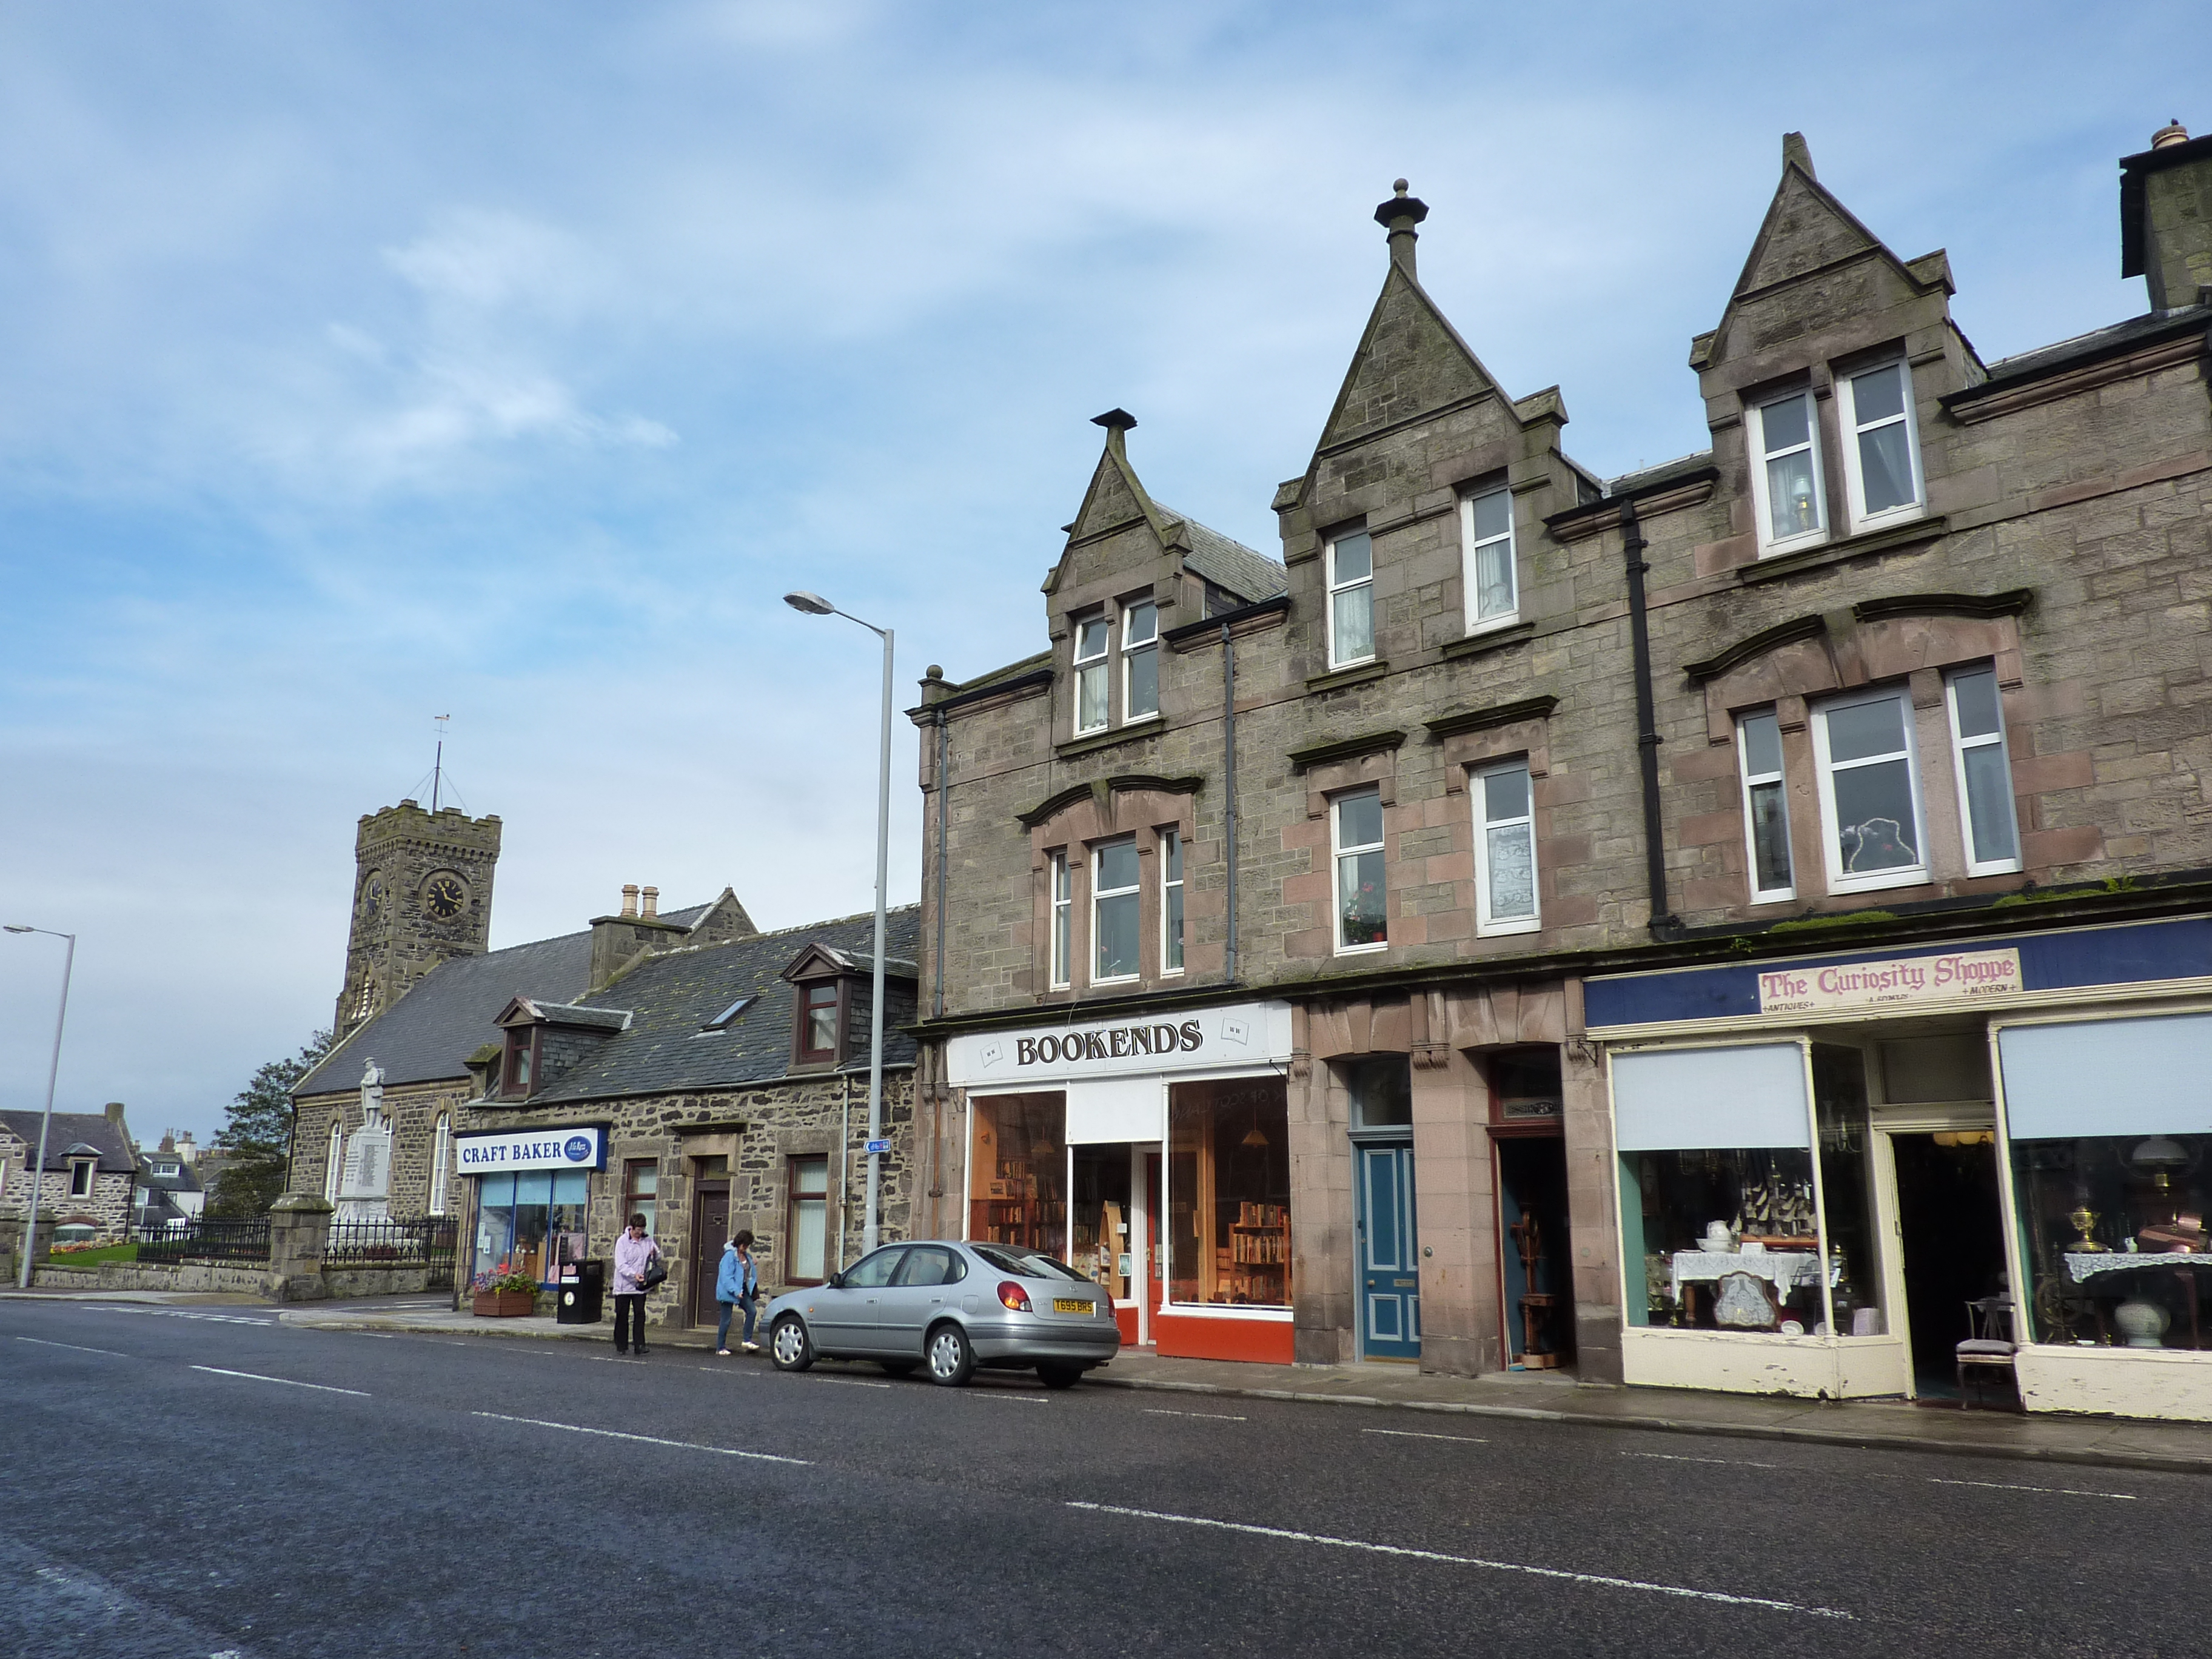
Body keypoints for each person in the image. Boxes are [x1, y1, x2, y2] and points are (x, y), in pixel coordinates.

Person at [611, 1213, 659, 1357]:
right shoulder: (622, 1242)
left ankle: (639, 1345)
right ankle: (621, 1345)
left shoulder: (648, 1240)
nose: (640, 1233)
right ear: (632, 1228)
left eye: (642, 1230)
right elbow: (621, 1264)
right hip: (624, 1286)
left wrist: (655, 1253)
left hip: (640, 1287)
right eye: (638, 1230)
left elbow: (658, 1256)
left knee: (640, 1314)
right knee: (622, 1315)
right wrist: (634, 1275)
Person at [715, 1228, 761, 1356]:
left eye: (747, 1246)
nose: (745, 1248)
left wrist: (753, 1263)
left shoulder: (747, 1256)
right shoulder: (729, 1257)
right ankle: (720, 1347)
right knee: (726, 1320)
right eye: (744, 1245)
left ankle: (747, 1340)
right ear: (739, 1243)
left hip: (742, 1290)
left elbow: (747, 1269)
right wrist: (735, 1291)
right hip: (728, 1291)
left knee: (752, 1311)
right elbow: (726, 1277)